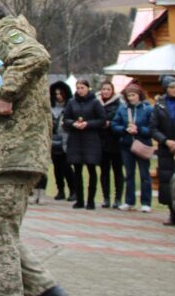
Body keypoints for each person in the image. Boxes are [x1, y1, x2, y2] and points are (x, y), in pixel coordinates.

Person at [0, 0, 72, 296]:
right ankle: (45, 291)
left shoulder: (9, 35)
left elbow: (35, 55)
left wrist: (6, 94)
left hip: (14, 150)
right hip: (9, 150)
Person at [150, 74, 175, 225]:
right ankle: (172, 212)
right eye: (172, 87)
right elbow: (153, 127)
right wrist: (166, 141)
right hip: (165, 148)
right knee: (167, 181)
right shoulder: (159, 104)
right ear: (166, 89)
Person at [63, 78, 106, 210]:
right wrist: (73, 123)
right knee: (77, 171)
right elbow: (66, 119)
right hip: (76, 139)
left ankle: (91, 200)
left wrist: (88, 124)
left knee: (92, 170)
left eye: (82, 88)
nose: (80, 90)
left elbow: (102, 119)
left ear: (88, 88)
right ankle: (79, 199)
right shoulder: (71, 102)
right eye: (78, 88)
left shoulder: (95, 102)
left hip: (91, 139)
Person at [111, 82, 155, 212]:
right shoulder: (122, 109)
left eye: (133, 95)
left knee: (144, 175)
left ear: (139, 95)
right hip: (126, 145)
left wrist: (139, 130)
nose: (131, 98)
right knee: (129, 174)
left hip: (142, 144)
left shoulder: (147, 109)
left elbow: (152, 128)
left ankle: (146, 202)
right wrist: (125, 129)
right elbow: (114, 124)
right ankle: (129, 201)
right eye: (129, 95)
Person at [96, 80, 124, 208]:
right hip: (101, 141)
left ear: (112, 90)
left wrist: (111, 124)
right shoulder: (97, 103)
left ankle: (118, 198)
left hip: (116, 141)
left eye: (108, 89)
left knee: (117, 171)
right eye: (104, 89)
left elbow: (121, 119)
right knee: (104, 171)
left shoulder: (120, 103)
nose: (106, 91)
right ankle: (106, 197)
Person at [48, 82, 75, 201]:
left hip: (66, 139)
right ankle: (60, 190)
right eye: (56, 94)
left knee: (67, 167)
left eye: (60, 93)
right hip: (53, 139)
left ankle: (73, 190)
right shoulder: (51, 107)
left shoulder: (70, 107)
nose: (58, 96)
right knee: (57, 167)